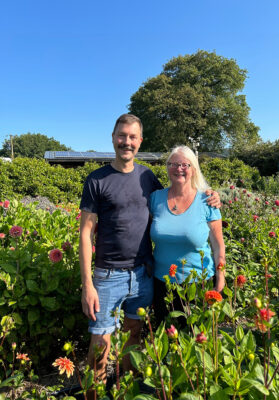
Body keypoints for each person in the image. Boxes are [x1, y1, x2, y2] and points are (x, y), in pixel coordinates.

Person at [79, 114, 221, 389]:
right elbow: (85, 234)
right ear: (113, 137)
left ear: (140, 141)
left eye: (133, 137)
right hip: (108, 275)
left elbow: (179, 192)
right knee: (100, 346)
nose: (126, 142)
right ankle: (95, 394)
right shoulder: (97, 180)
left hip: (144, 275)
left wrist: (210, 194)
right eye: (122, 135)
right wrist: (88, 285)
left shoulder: (146, 177)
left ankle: (126, 389)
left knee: (134, 337)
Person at [150, 145, 225, 325]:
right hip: (162, 283)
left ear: (194, 168)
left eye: (185, 164)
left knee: (196, 339)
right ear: (167, 168)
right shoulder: (155, 198)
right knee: (165, 337)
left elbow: (218, 245)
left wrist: (221, 277)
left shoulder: (207, 201)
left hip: (199, 283)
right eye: (173, 164)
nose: (179, 169)